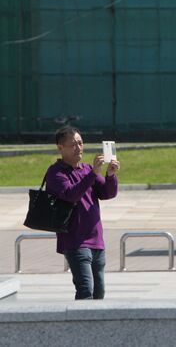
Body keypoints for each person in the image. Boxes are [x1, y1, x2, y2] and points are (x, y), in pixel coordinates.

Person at [46, 126, 120, 299]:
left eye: (80, 143)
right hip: (75, 240)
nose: (78, 148)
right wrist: (93, 173)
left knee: (99, 291)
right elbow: (71, 195)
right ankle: (78, 325)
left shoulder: (86, 169)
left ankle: (96, 325)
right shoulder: (56, 172)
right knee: (86, 289)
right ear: (60, 148)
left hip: (96, 240)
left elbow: (107, 193)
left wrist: (110, 175)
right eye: (73, 144)